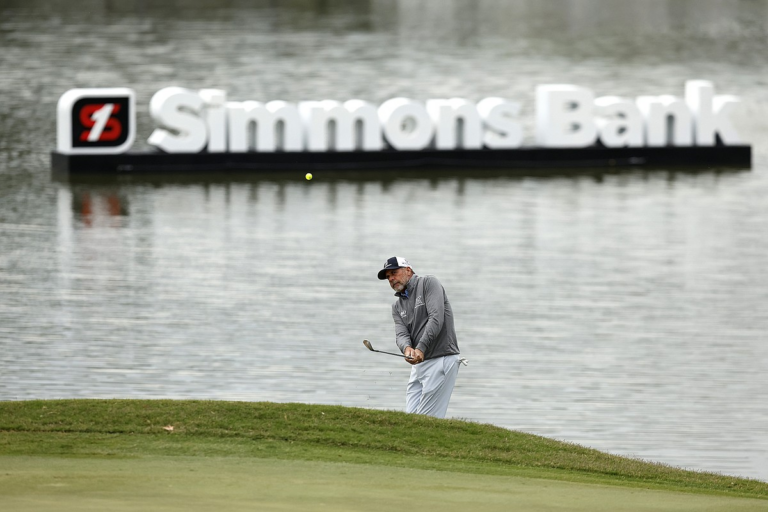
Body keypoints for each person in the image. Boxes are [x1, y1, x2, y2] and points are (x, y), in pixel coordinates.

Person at [377, 256, 466, 419]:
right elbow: (401, 334)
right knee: (411, 419)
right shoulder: (397, 306)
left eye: (394, 273)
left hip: (442, 359)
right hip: (419, 364)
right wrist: (407, 348)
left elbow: (436, 318)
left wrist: (420, 348)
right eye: (388, 277)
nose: (391, 279)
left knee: (427, 420)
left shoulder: (428, 283)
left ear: (408, 270)